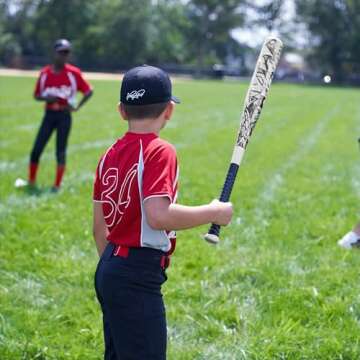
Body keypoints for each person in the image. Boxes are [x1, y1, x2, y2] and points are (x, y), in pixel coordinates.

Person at [92, 65, 233, 359]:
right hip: (136, 274)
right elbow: (158, 215)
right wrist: (213, 212)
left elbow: (99, 229)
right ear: (169, 110)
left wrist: (115, 270)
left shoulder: (109, 154)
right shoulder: (159, 150)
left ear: (122, 110)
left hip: (109, 269)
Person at [28, 38, 93, 191]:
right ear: (54, 53)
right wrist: (46, 98)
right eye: (61, 52)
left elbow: (89, 91)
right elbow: (37, 95)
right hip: (49, 114)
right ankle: (31, 181)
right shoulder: (45, 73)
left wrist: (77, 107)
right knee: (36, 149)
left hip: (64, 116)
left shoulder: (73, 73)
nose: (64, 55)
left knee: (60, 150)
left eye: (67, 52)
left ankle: (57, 185)